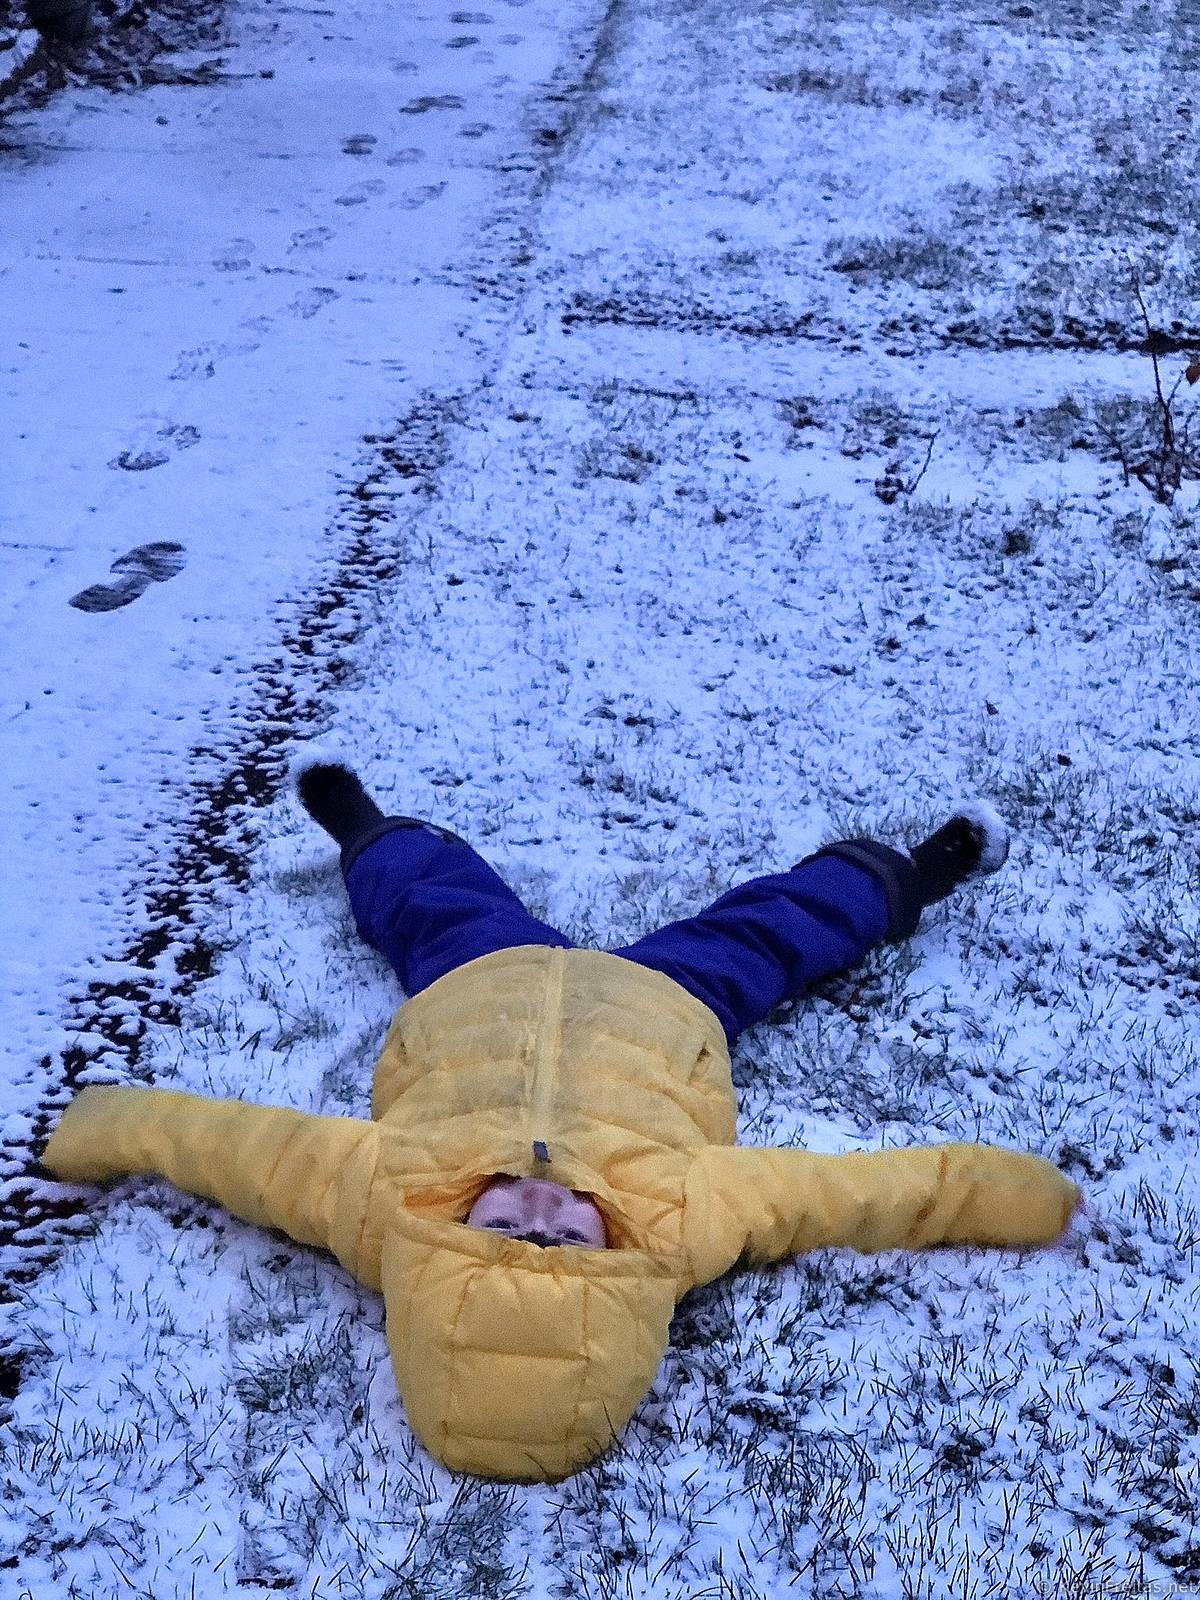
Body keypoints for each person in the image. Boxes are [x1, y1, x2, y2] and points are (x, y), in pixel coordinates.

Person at [41, 758, 1082, 1483]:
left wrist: (103, 1126)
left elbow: (228, 1148)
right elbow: (861, 1195)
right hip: (667, 1006)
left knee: (426, 897)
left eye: (502, 1230)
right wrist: (1011, 1195)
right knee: (776, 931)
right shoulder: (685, 1216)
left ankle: (362, 824)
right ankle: (920, 868)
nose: (538, 1209)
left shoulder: (379, 1198)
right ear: (620, 1265)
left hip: (479, 984)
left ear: (440, 1250)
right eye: (566, 1242)